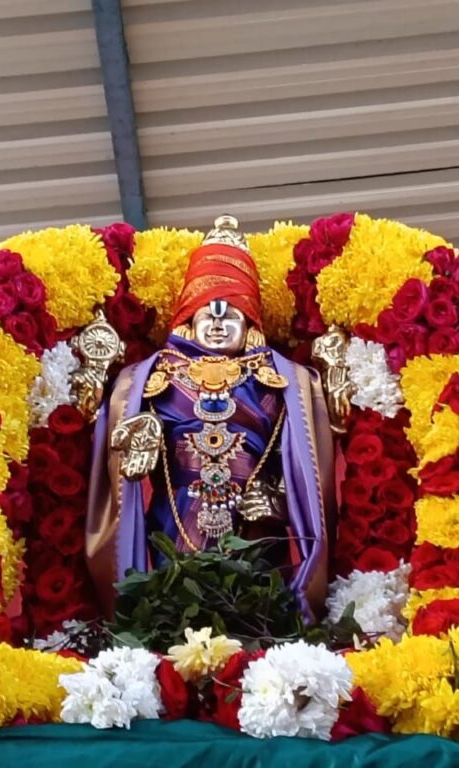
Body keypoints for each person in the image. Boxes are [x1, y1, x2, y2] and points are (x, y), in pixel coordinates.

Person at [86, 216, 336, 619]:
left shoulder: (282, 379)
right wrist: (139, 438)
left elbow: (302, 466)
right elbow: (116, 448)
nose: (219, 325)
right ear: (190, 320)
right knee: (175, 617)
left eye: (230, 317)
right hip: (176, 521)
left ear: (249, 325)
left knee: (257, 620)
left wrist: (278, 501)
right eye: (208, 316)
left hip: (255, 526)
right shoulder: (149, 377)